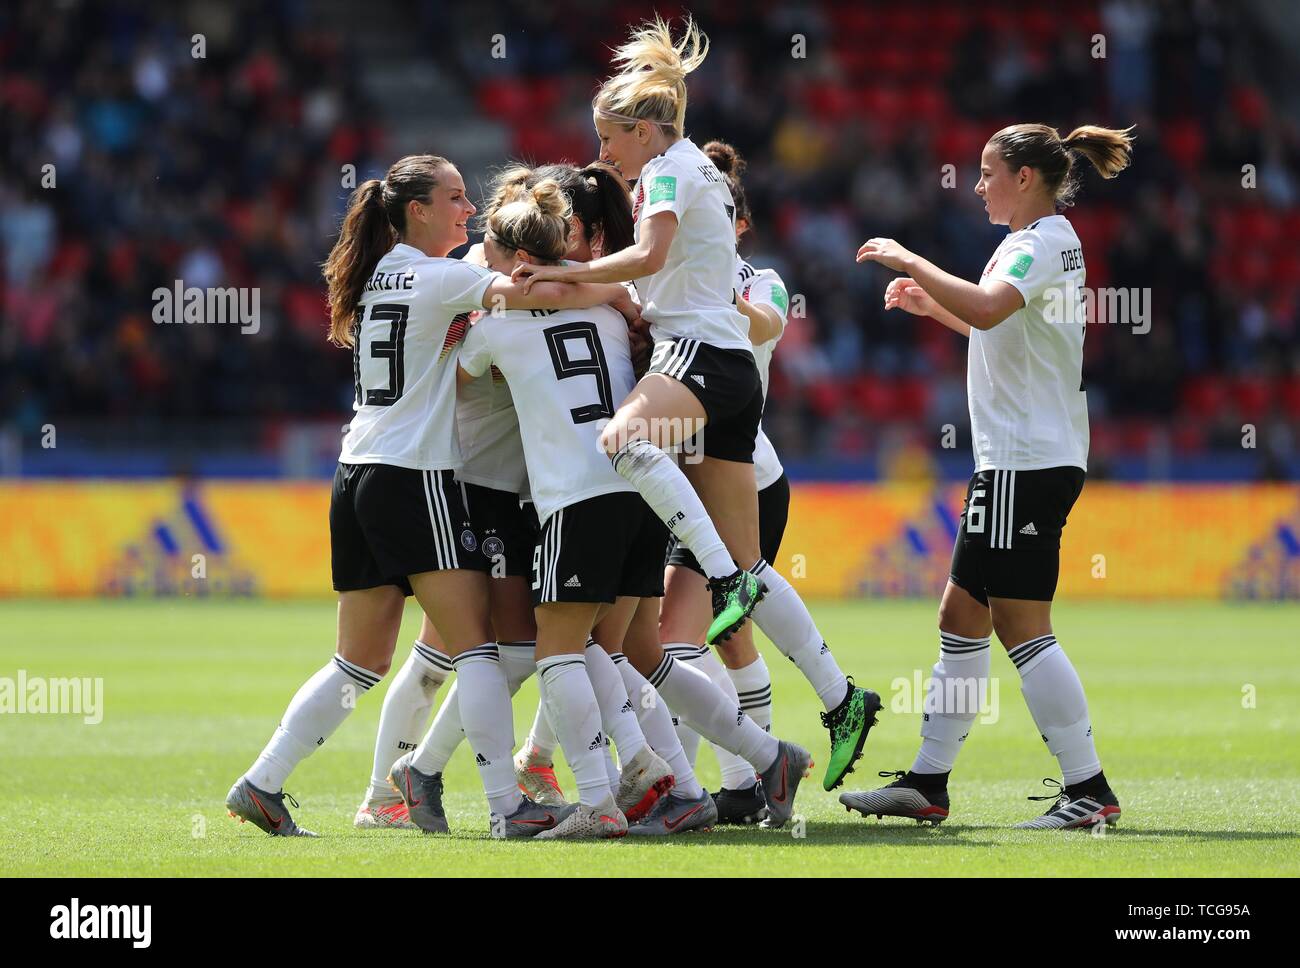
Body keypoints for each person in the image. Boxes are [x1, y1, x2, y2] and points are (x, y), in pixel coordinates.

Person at [512, 16, 875, 796]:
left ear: (643, 130)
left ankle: (694, 760)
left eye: (610, 138)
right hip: (733, 374)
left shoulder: (668, 174)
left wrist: (564, 280)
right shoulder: (687, 172)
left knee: (620, 442)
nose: (604, 153)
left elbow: (647, 259)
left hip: (699, 359)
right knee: (749, 570)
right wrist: (584, 285)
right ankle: (843, 702)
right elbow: (649, 283)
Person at [224, 154, 635, 838]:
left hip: (355, 472)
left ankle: (263, 782)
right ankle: (508, 807)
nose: (468, 210)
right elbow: (538, 293)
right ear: (417, 211)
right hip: (415, 477)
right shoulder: (448, 279)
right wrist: (622, 288)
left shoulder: (380, 274)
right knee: (478, 648)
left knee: (359, 662)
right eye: (452, 198)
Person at [841, 123, 1134, 830]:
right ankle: (928, 783)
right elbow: (997, 325)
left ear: (1025, 177)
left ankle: (1088, 789)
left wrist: (908, 259)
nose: (977, 186)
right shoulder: (1038, 243)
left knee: (1023, 628)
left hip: (1022, 463)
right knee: (960, 615)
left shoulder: (1040, 243)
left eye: (986, 172)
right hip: (1020, 460)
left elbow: (988, 306)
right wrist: (934, 305)